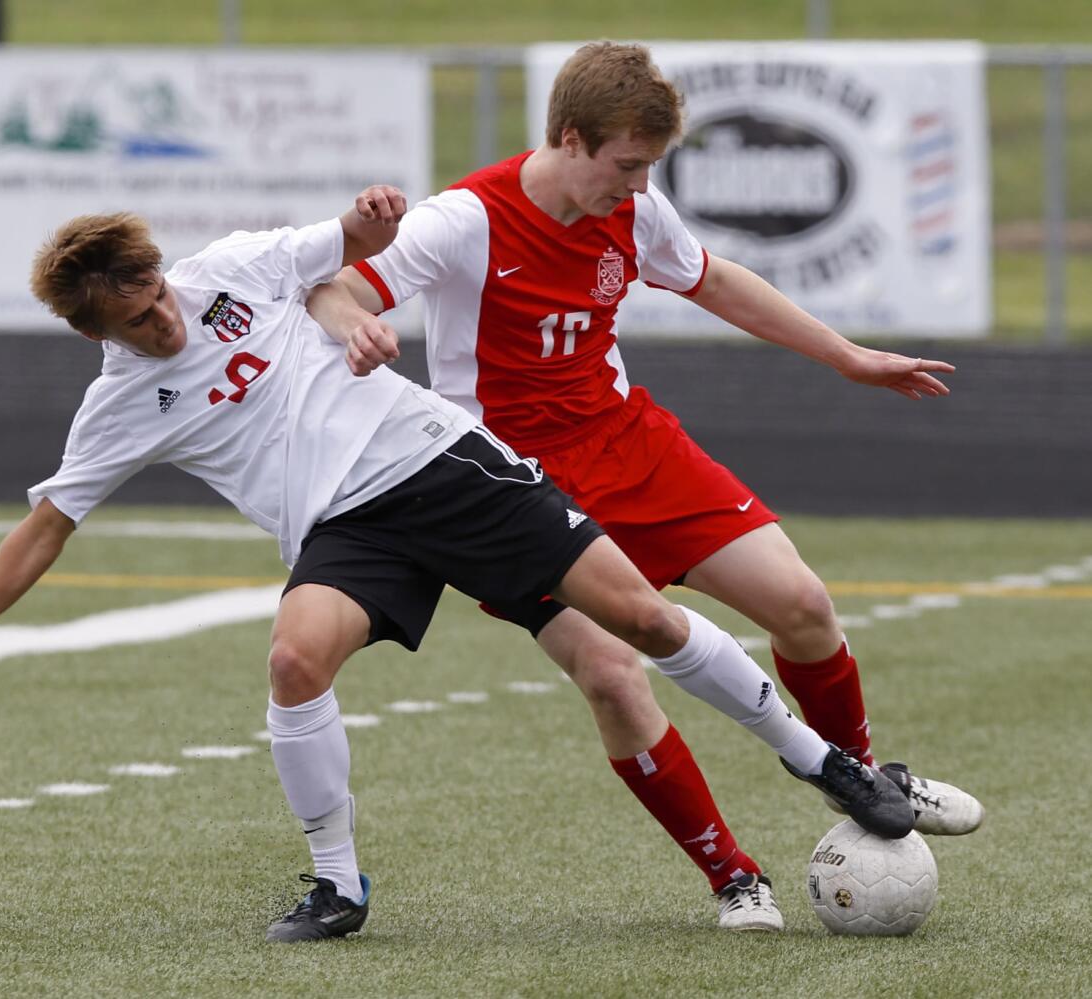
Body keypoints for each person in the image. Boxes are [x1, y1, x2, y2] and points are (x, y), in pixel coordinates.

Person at [0, 186, 912, 943]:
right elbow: (43, 528)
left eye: (157, 292)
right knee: (295, 663)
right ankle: (338, 887)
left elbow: (350, 243)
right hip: (349, 533)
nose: (164, 316)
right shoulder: (116, 406)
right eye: (137, 319)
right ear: (93, 333)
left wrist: (368, 217)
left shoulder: (235, 268)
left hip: (439, 465)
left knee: (638, 625)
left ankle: (820, 763)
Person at [306, 40, 985, 913]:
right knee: (615, 675)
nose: (634, 187)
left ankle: (855, 773)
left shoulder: (632, 205)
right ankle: (735, 878)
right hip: (513, 488)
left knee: (805, 606)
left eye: (648, 168)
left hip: (629, 443)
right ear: (568, 137)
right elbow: (336, 288)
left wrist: (847, 356)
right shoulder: (466, 219)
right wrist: (350, 325)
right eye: (624, 165)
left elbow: (716, 280)